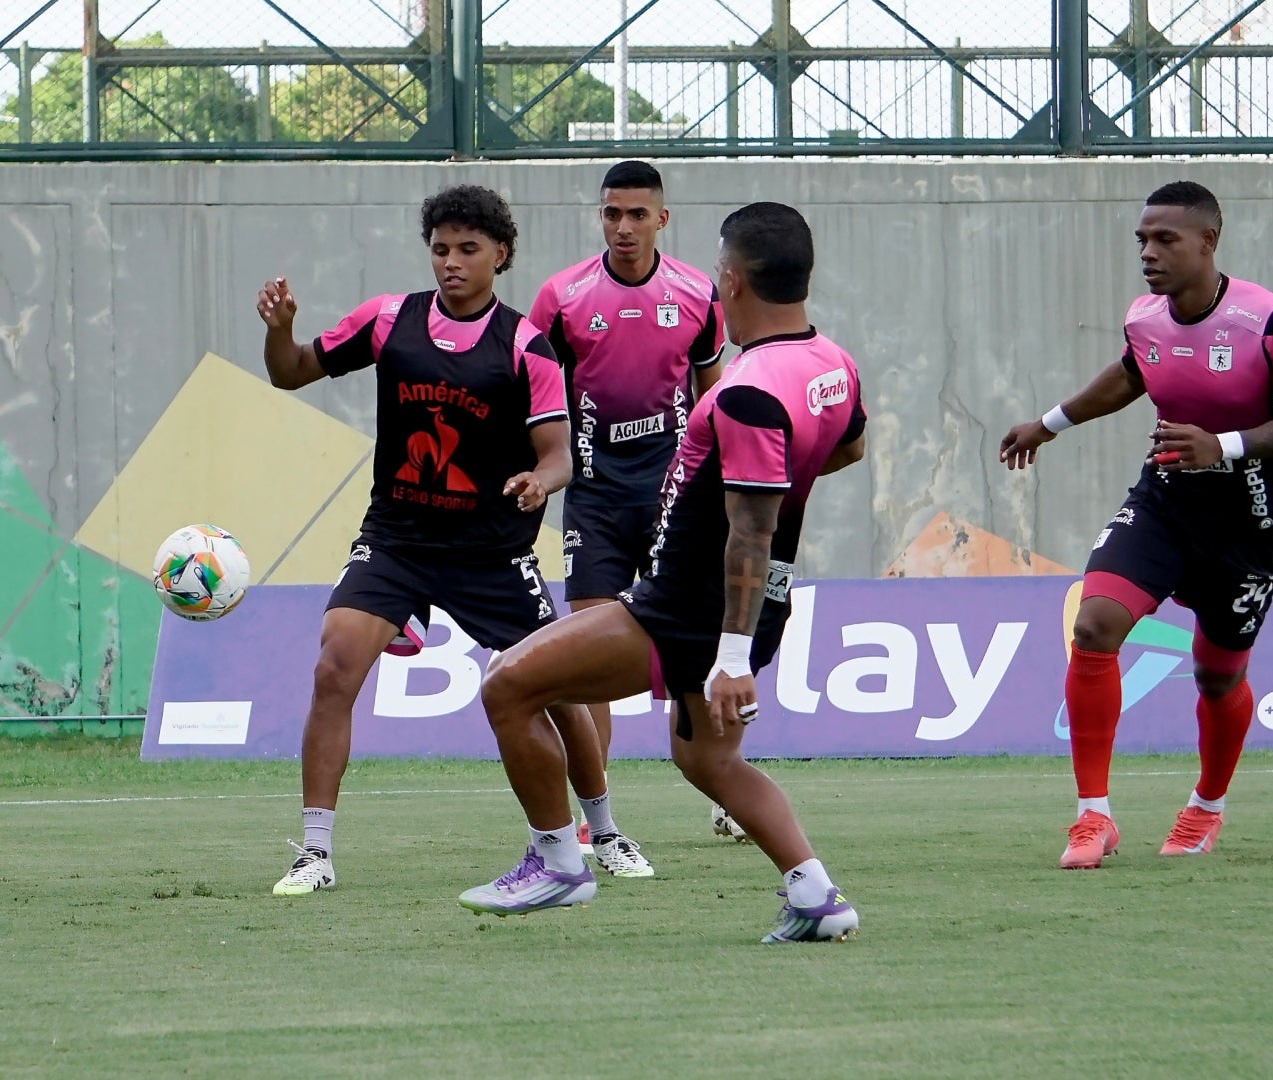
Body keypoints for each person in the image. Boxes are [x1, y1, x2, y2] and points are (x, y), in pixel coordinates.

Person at [461, 202, 866, 944]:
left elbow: (750, 528)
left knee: (509, 685)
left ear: (732, 281)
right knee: (707, 760)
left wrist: (732, 659)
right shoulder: (831, 365)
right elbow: (848, 449)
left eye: (719, 271)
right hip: (751, 603)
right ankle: (817, 895)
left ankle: (558, 863)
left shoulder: (749, 390)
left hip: (684, 606)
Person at [255, 184, 601, 896]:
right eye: (440, 249)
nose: (451, 262)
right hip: (398, 540)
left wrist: (539, 482)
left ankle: (606, 826)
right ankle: (314, 852)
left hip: (490, 552)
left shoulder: (526, 346)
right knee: (333, 668)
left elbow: (560, 453)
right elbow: (289, 373)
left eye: (468, 250)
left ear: (499, 255)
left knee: (558, 691)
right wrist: (279, 330)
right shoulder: (388, 321)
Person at [1000, 181, 1273, 869]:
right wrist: (1049, 424)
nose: (1148, 254)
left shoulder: (1271, 319)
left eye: (1165, 240)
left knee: (1216, 676)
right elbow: (1130, 375)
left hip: (1247, 523)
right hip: (1163, 503)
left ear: (1209, 241)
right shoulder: (1145, 318)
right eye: (1142, 241)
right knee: (1094, 627)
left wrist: (1226, 444)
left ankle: (1205, 809)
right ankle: (1094, 817)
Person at [525, 160, 726, 876]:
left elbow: (715, 400)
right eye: (612, 213)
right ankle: (596, 822)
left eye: (638, 214)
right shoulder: (562, 297)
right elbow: (541, 397)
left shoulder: (699, 293)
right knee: (585, 655)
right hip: (597, 497)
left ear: (661, 219)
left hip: (674, 494)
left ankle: (724, 785)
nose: (623, 227)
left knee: (693, 651)